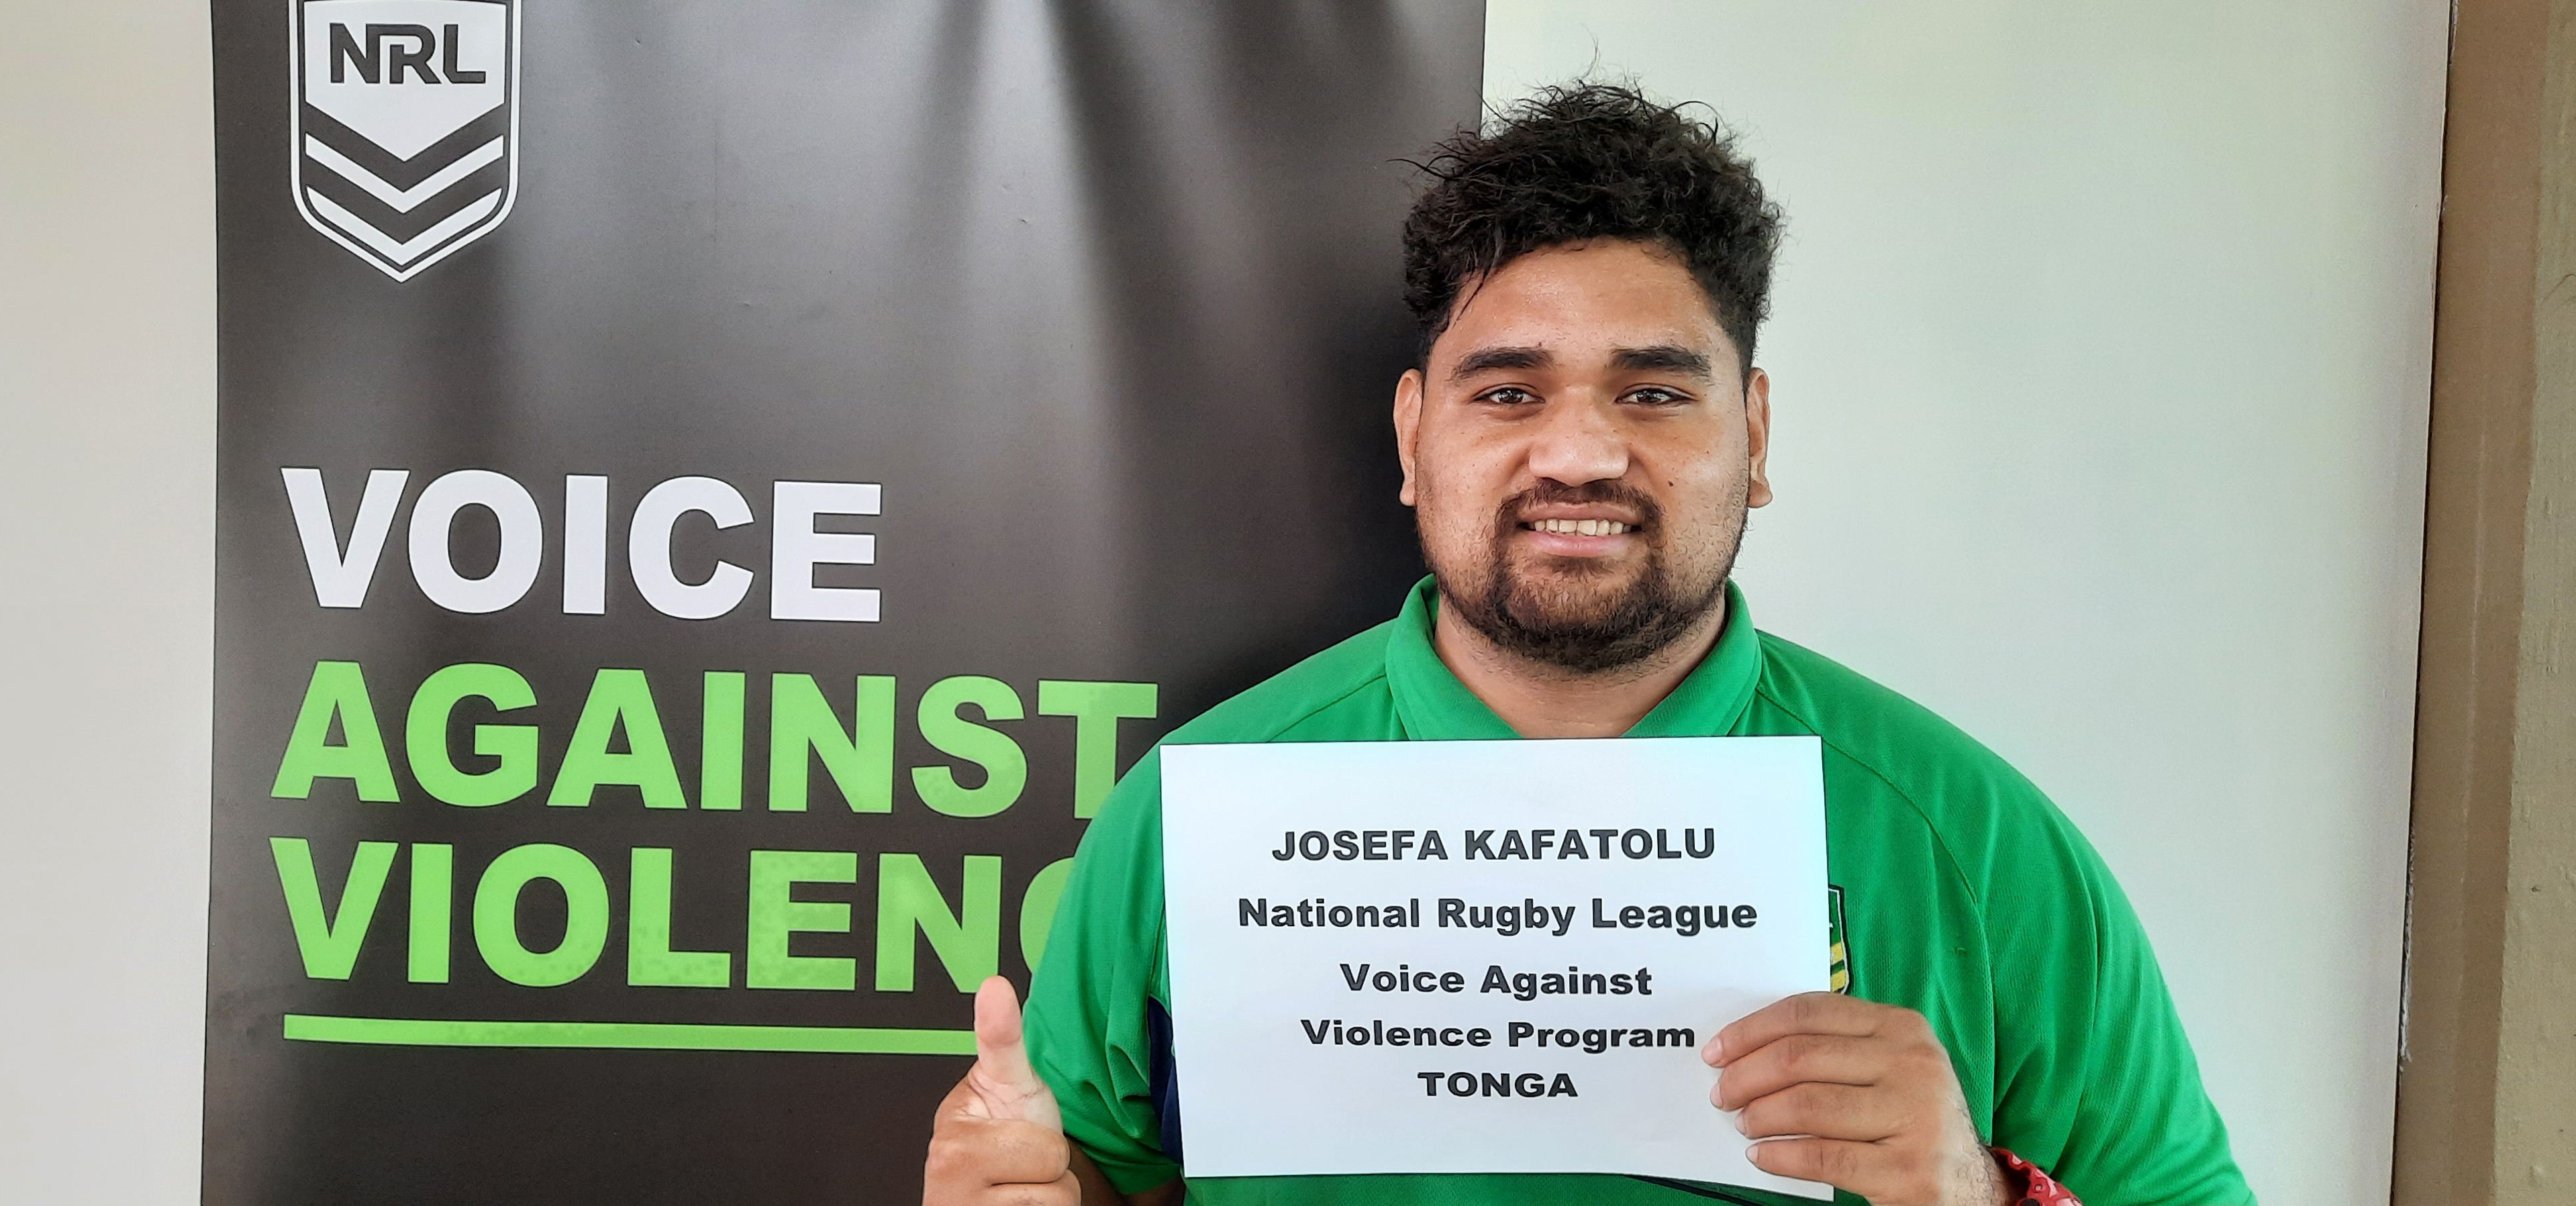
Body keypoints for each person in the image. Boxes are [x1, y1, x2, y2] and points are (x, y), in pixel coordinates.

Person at [922, 83, 2252, 1206]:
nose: (1578, 452)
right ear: (1409, 437)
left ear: (1756, 437)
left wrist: (1972, 1185)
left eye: (1653, 391)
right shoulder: (1197, 806)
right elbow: (1103, 1167)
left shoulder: (1970, 839)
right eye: (1507, 391)